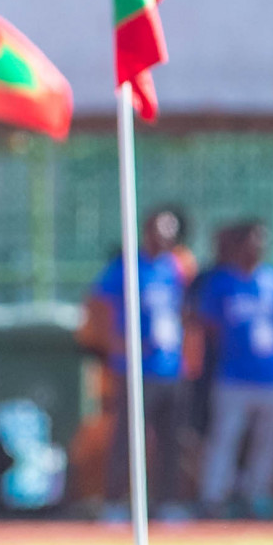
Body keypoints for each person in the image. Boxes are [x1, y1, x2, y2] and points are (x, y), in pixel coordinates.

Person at [83, 209, 191, 521]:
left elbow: (180, 308)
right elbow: (97, 305)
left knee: (171, 439)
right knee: (127, 437)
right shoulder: (126, 267)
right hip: (135, 369)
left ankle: (167, 503)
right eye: (161, 230)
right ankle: (115, 503)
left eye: (172, 231)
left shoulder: (175, 267)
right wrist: (119, 344)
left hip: (170, 367)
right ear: (147, 232)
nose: (167, 237)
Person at [197, 221, 273, 519]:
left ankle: (258, 495)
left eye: (262, 241)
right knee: (225, 437)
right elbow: (207, 325)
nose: (257, 247)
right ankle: (214, 496)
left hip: (272, 374)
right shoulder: (221, 281)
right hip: (233, 374)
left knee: (268, 441)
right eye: (251, 241)